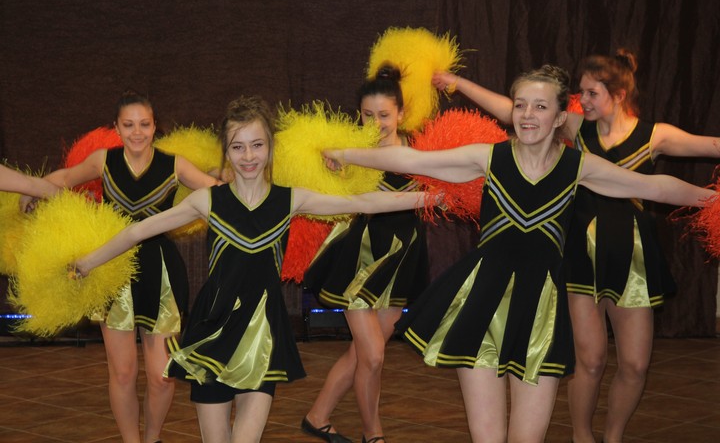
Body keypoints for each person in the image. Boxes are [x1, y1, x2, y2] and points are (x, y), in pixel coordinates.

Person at [322, 65, 714, 443]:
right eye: (521, 104)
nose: (527, 114)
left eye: (540, 106)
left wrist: (711, 202)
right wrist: (345, 153)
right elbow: (412, 160)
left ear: (560, 117)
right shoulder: (488, 157)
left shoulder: (578, 167)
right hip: (480, 308)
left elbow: (654, 187)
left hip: (540, 316)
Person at [72, 95, 431, 443]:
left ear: (270, 148)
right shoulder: (207, 200)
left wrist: (429, 197)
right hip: (212, 334)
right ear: (226, 152)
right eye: (238, 147)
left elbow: (361, 201)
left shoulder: (290, 199)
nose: (248, 156)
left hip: (262, 337)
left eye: (257, 145)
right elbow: (137, 231)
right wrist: (87, 263)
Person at [433, 49, 720, 443]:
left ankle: (613, 436)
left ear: (619, 94)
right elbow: (512, 109)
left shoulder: (655, 135)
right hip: (579, 256)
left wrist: (712, 202)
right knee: (590, 359)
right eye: (579, 92)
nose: (581, 100)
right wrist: (458, 83)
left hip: (630, 256)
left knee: (635, 364)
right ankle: (581, 436)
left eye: (591, 93)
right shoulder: (574, 127)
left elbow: (705, 150)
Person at [24, 90, 220, 443]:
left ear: (155, 126)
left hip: (162, 273)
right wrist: (32, 190)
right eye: (128, 125)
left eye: (144, 124)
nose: (137, 132)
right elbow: (65, 179)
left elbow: (217, 192)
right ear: (116, 127)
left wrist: (224, 173)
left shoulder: (175, 165)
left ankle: (153, 438)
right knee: (123, 372)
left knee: (162, 376)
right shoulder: (104, 160)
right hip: (114, 271)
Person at [301, 65, 429, 443]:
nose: (375, 123)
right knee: (372, 356)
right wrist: (330, 163)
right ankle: (373, 435)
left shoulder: (421, 147)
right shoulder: (350, 151)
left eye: (384, 115)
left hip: (401, 259)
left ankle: (317, 416)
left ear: (401, 114)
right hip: (359, 258)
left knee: (361, 354)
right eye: (367, 115)